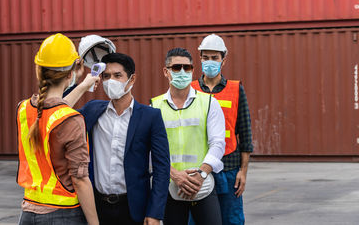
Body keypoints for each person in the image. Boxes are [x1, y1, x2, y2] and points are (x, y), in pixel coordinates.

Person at [64, 52, 170, 225]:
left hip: (133, 208)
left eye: (117, 75)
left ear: (132, 79)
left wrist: (155, 213)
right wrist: (79, 80)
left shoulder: (151, 116)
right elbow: (59, 113)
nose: (110, 81)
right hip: (96, 207)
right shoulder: (92, 110)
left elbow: (162, 168)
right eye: (106, 76)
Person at [16, 33, 100, 225]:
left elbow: (51, 112)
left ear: (39, 71)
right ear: (70, 74)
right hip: (63, 215)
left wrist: (82, 86)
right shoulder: (72, 120)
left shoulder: (23, 109)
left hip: (28, 213)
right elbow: (80, 180)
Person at [150, 48, 225, 225]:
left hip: (203, 185)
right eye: (176, 68)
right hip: (170, 186)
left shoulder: (209, 103)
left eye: (187, 67)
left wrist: (201, 174)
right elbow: (149, 150)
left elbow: (218, 143)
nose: (182, 72)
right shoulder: (154, 106)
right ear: (165, 71)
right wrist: (175, 175)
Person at [190, 34, 254, 225]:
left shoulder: (235, 89)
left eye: (215, 58)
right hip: (198, 167)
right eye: (206, 57)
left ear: (223, 60)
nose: (210, 62)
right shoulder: (190, 89)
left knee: (231, 220)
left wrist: (243, 171)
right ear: (200, 59)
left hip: (229, 167)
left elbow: (245, 132)